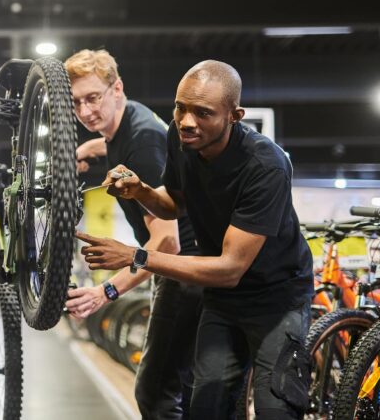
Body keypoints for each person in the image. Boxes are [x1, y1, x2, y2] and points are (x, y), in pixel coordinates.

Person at [77, 60, 314, 419]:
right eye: (180, 108)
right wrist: (140, 190)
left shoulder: (266, 165)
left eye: (203, 113)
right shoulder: (180, 137)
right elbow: (175, 204)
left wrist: (134, 256)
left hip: (276, 297)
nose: (187, 121)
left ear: (234, 116)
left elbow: (230, 268)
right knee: (205, 407)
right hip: (222, 300)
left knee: (274, 408)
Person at [63, 49, 202, 419]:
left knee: (155, 393)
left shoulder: (141, 142)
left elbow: (167, 240)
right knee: (187, 389)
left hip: (183, 270)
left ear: (117, 88)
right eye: (77, 102)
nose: (85, 111)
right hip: (185, 267)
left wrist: (105, 292)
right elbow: (113, 142)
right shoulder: (126, 122)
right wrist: (87, 149)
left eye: (93, 97)